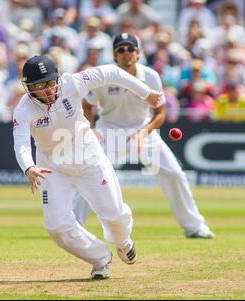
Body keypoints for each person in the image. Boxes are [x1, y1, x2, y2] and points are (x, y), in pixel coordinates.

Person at [13, 55, 162, 279]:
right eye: (39, 86)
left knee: (114, 214)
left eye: (50, 82)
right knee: (56, 227)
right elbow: (21, 143)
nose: (47, 90)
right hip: (52, 167)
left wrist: (145, 93)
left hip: (88, 158)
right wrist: (28, 167)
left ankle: (122, 242)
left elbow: (113, 72)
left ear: (58, 78)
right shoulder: (23, 110)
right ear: (29, 87)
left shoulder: (73, 83)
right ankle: (100, 258)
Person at [72, 33, 215, 239]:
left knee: (174, 174)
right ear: (114, 55)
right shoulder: (104, 77)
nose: (126, 53)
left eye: (130, 49)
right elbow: (87, 104)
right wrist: (92, 129)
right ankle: (73, 227)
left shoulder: (150, 77)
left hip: (143, 129)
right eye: (121, 50)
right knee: (94, 175)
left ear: (138, 53)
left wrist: (142, 133)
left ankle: (194, 227)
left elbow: (159, 114)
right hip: (109, 130)